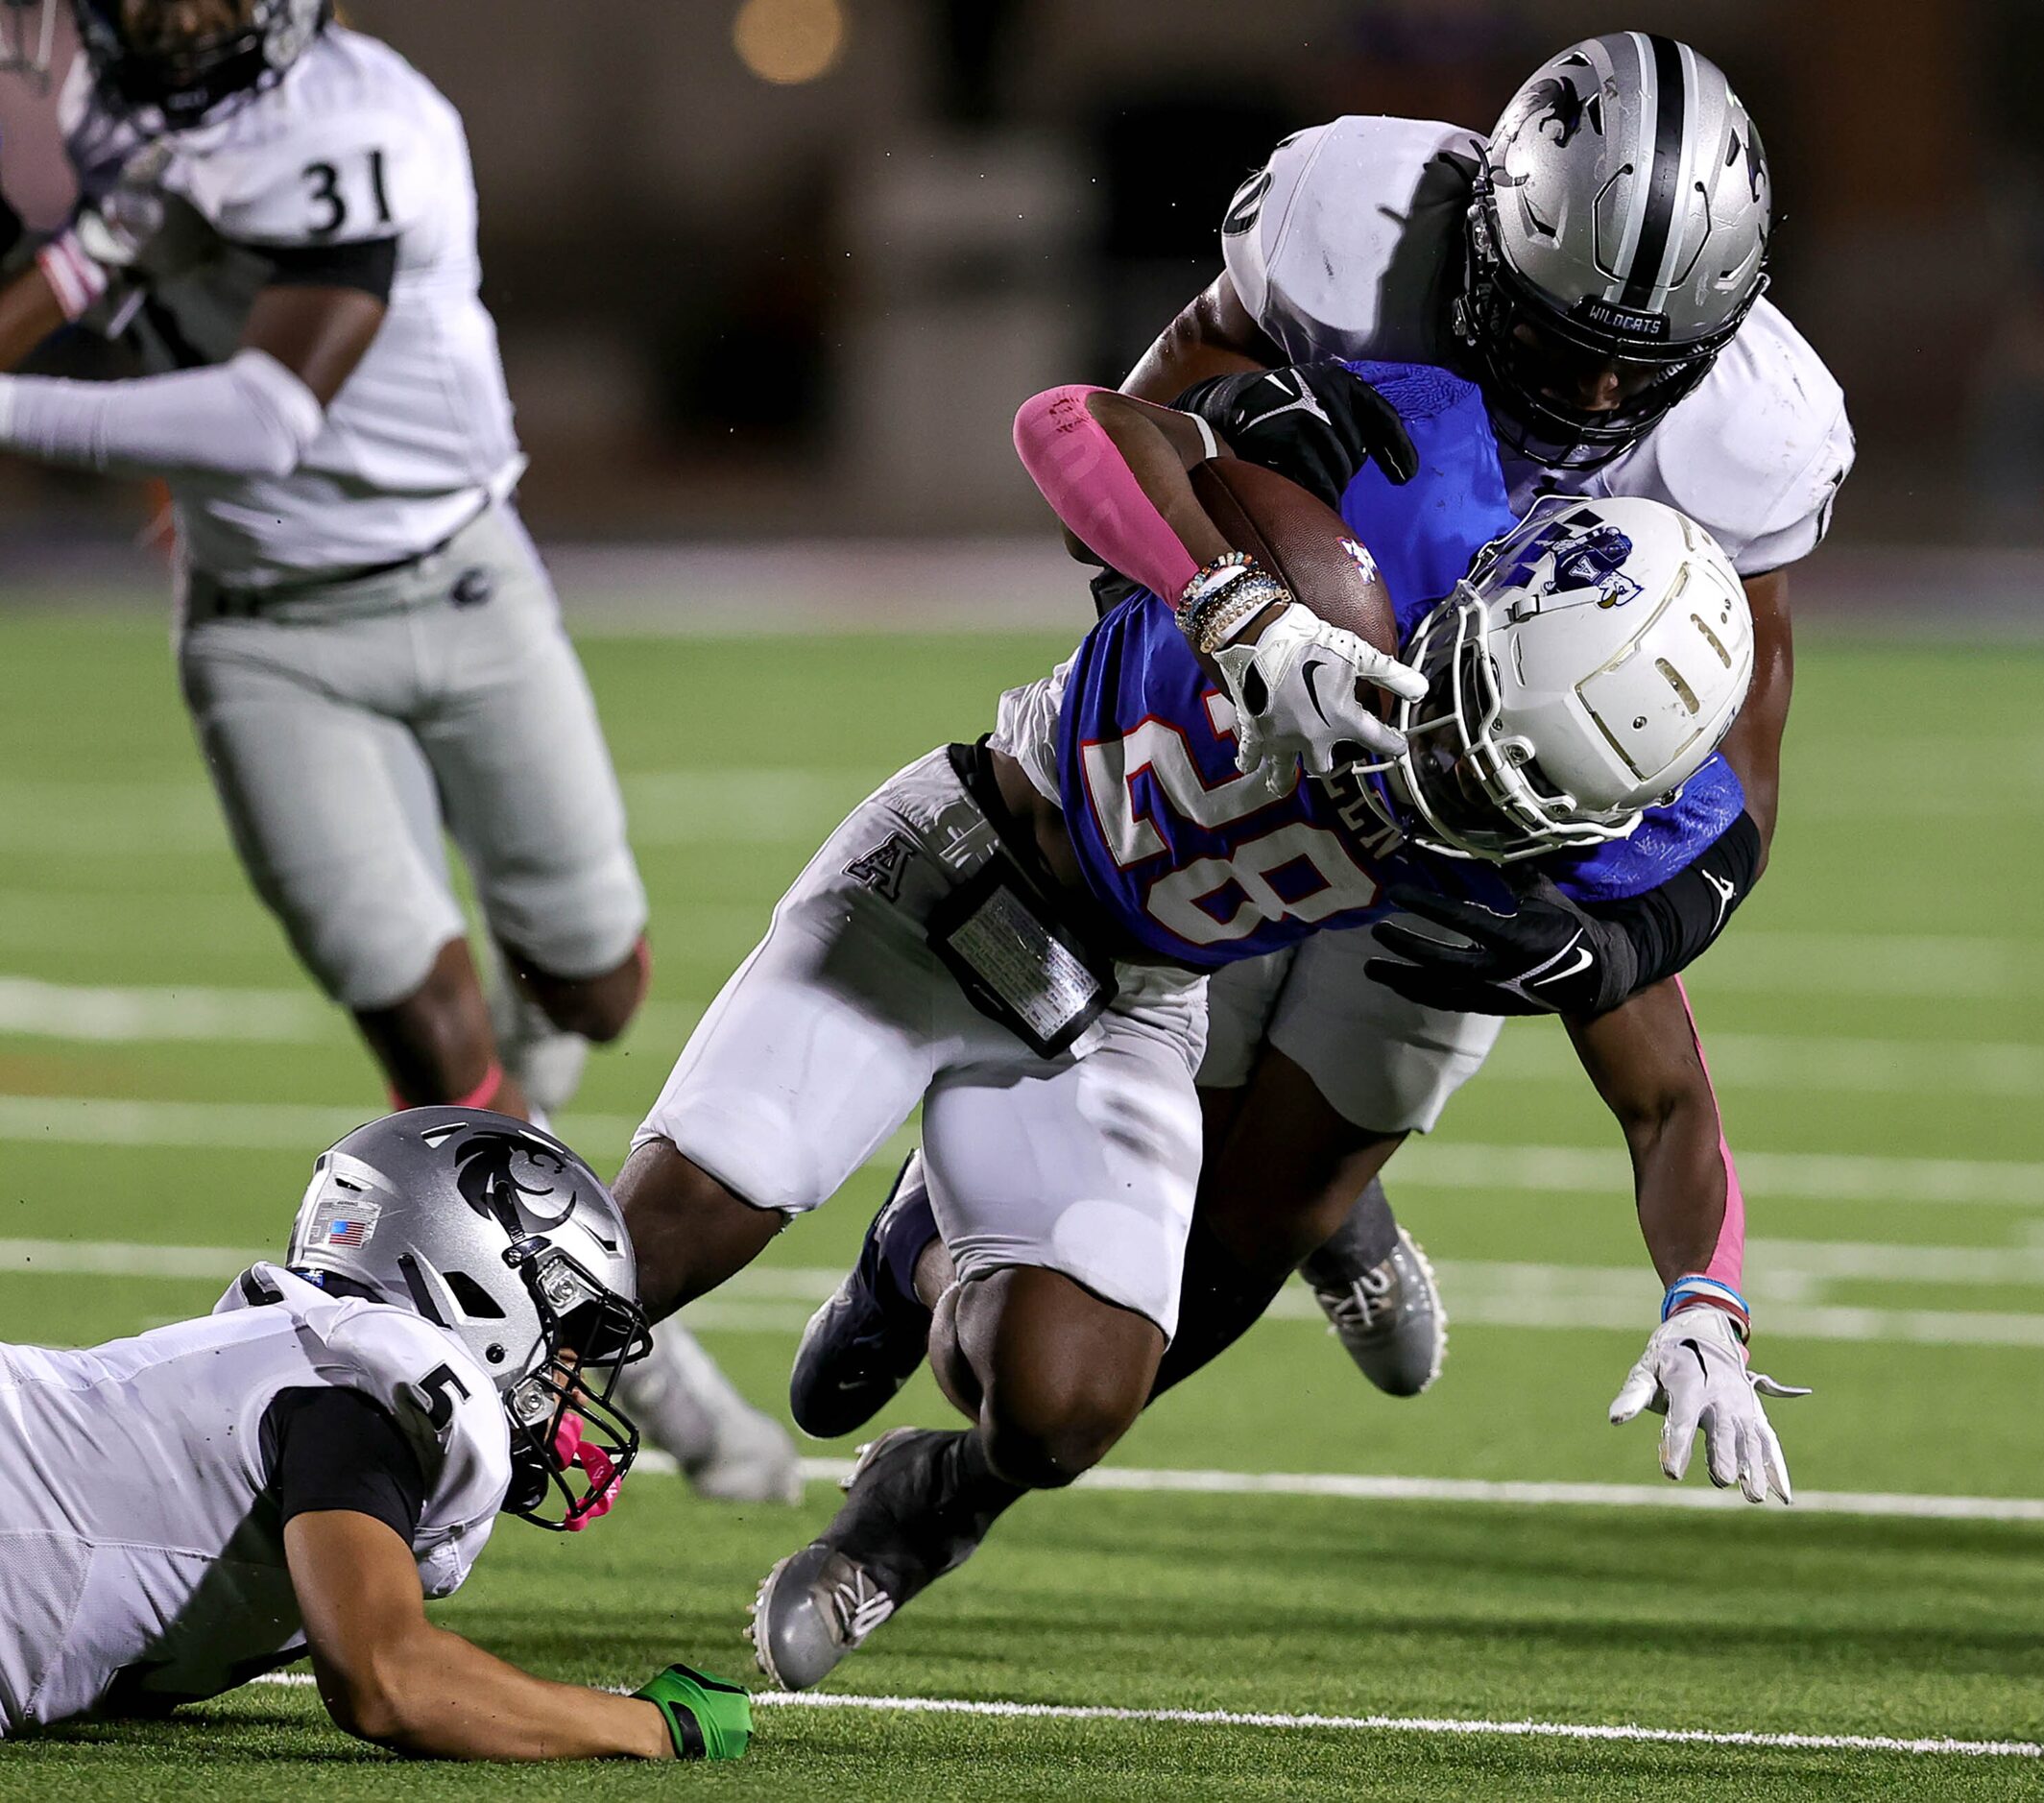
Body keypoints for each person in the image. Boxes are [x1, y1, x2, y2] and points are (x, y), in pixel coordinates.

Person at [609, 372, 1803, 1693]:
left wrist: (1708, 1304)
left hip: (1130, 1001)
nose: (1453, 783)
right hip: (960, 872)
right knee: (666, 1236)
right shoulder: (1380, 522)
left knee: (1062, 1403)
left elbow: (1671, 1103)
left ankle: (933, 1290)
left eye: (1510, 793)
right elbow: (1070, 425)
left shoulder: (1563, 833)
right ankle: (376, 1467)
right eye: (1469, 730)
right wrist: (1233, 599)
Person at [0, 0, 797, 1504]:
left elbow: (268, 412)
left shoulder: (361, 119)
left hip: (464, 580)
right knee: (437, 1044)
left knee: (597, 979)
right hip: (260, 636)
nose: (183, 14)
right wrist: (69, 257)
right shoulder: (68, 112)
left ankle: (540, 1156)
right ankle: (647, 1369)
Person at [1094, 31, 1855, 1395]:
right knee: (1140, 1063)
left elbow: (1741, 773)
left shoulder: (1758, 424)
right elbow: (1138, 426)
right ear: (1491, 245)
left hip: (1499, 792)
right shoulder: (1362, 221)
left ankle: (1316, 1213)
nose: (1606, 392)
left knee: (1259, 1206)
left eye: (1648, 361)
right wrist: (1219, 615)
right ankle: (926, 1250)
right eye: (1571, 343)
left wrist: (1613, 945)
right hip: (1284, 682)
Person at [0, 1107, 753, 1761]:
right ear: (477, 1285)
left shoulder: (307, 1364)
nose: (565, 1379)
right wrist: (652, 1727)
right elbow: (389, 1682)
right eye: (561, 1339)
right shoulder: (368, 1386)